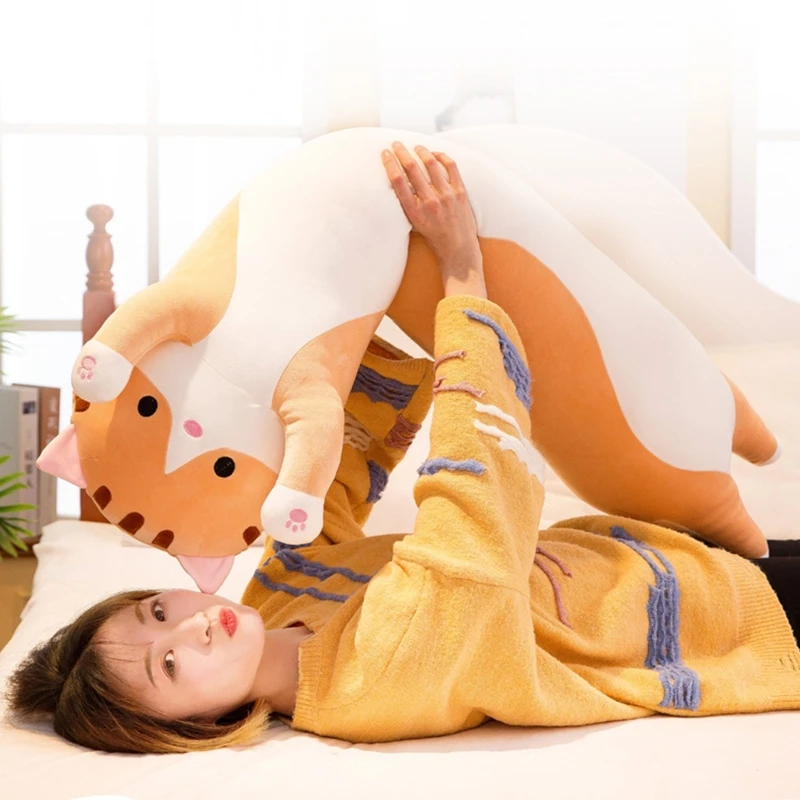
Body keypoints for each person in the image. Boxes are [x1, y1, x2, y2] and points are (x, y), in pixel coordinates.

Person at [6, 142, 800, 754]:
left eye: (158, 611)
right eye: (171, 667)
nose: (192, 629)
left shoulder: (272, 603)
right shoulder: (375, 681)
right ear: (202, 726)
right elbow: (476, 502)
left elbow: (344, 469)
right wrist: (461, 276)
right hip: (740, 620)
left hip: (675, 554)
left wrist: (358, 312)